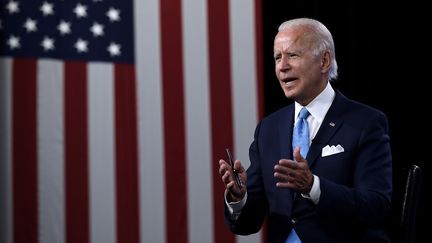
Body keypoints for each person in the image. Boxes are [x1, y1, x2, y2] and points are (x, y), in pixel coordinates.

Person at [218, 18, 392, 243]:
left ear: (324, 61)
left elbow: (377, 208)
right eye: (277, 57)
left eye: (292, 55)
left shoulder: (365, 123)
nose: (282, 66)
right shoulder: (268, 129)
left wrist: (313, 186)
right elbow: (247, 223)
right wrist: (238, 197)